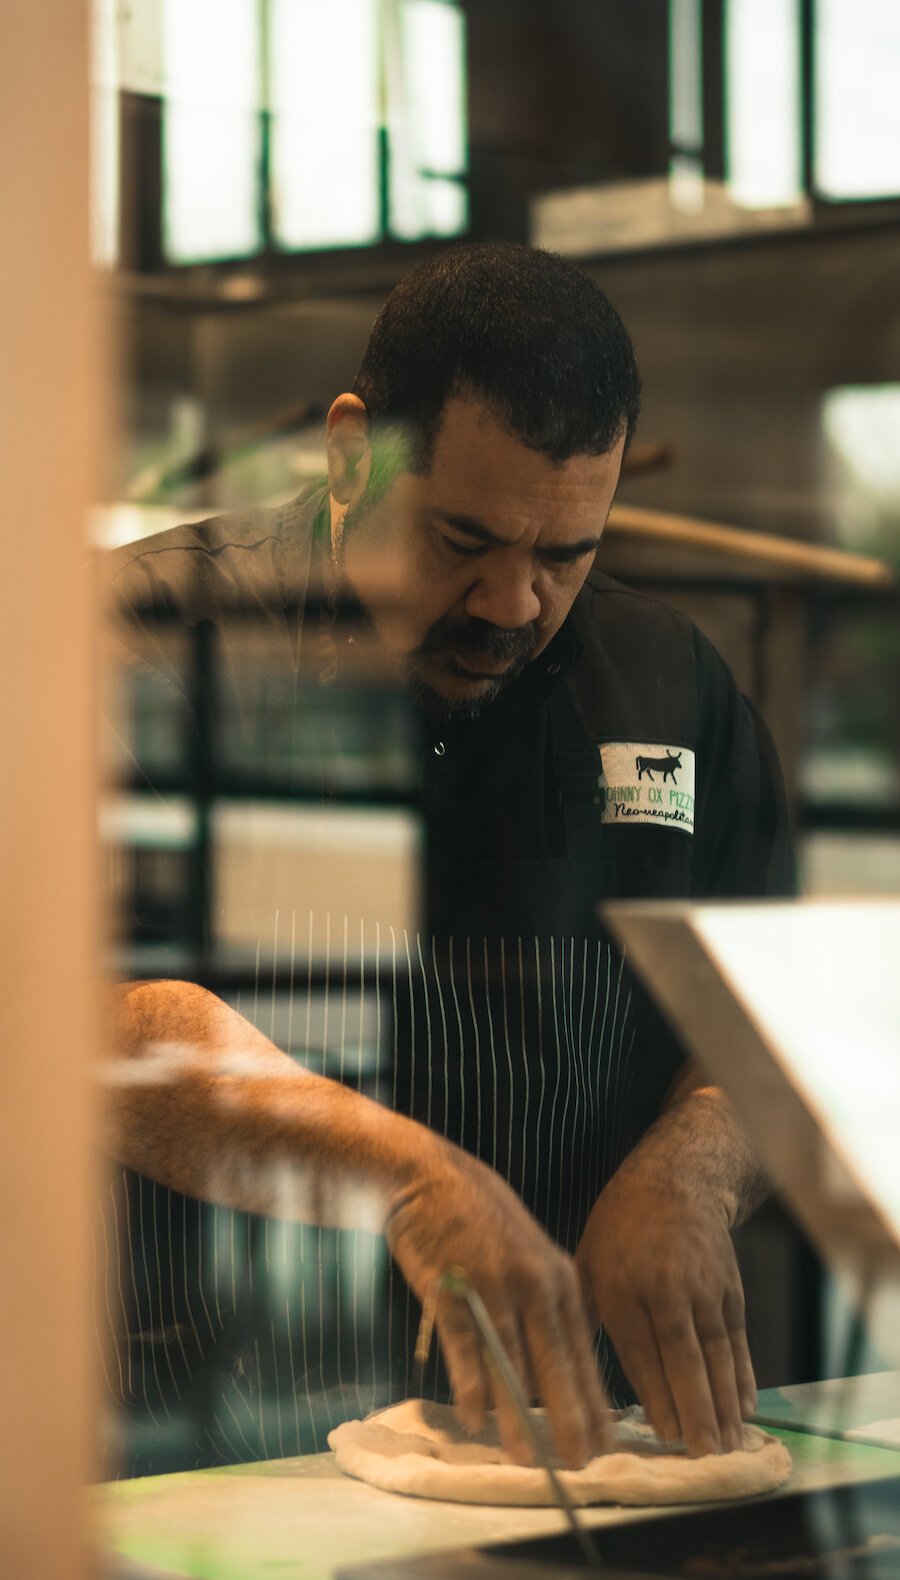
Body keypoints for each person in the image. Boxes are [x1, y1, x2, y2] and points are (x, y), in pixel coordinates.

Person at [101, 243, 791, 1477]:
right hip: (213, 1464)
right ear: (354, 450)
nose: (511, 603)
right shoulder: (145, 644)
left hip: (558, 1467)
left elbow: (770, 1002)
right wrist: (409, 1181)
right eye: (461, 537)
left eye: (564, 554)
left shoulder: (670, 683)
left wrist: (697, 1163)